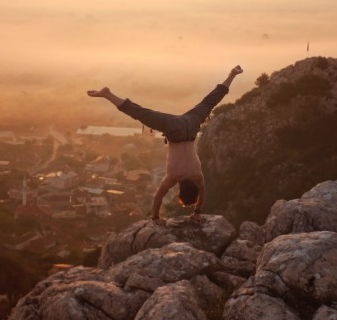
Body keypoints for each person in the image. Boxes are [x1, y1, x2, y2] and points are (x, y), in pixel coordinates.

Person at [87, 65, 243, 225]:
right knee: (141, 114)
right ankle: (107, 94)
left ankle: (232, 74)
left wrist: (197, 211)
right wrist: (155, 217)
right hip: (174, 130)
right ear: (179, 192)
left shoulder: (198, 177)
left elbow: (202, 193)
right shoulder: (174, 177)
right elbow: (159, 196)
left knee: (209, 102)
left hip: (191, 125)